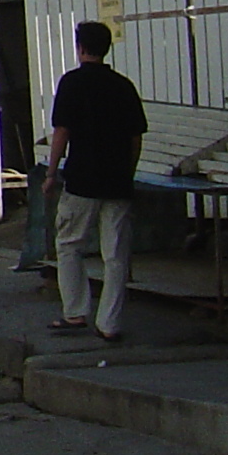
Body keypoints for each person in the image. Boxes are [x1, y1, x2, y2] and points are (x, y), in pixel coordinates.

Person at [47, 19, 146, 343]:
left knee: (69, 245)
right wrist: (127, 171)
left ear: (81, 48)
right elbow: (135, 137)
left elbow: (62, 132)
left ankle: (75, 312)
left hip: (82, 179)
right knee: (116, 255)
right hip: (117, 181)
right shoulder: (123, 85)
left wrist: (50, 173)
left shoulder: (72, 83)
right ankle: (110, 323)